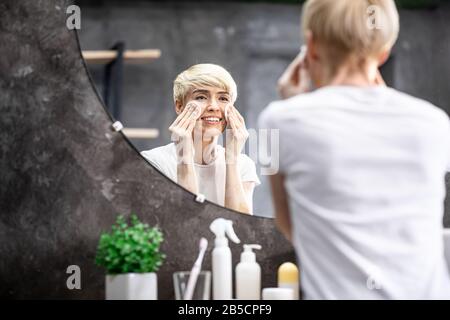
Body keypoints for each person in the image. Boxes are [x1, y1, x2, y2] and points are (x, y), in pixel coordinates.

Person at [258, 0, 450, 299]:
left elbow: (287, 223)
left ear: (310, 44)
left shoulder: (276, 120)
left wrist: (289, 104)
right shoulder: (437, 124)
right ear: (385, 51)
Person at [142, 64, 260, 214]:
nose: (213, 106)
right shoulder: (154, 162)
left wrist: (231, 160)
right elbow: (185, 222)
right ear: (179, 106)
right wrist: (184, 158)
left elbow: (241, 229)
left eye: (223, 98)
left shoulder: (243, 165)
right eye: (201, 97)